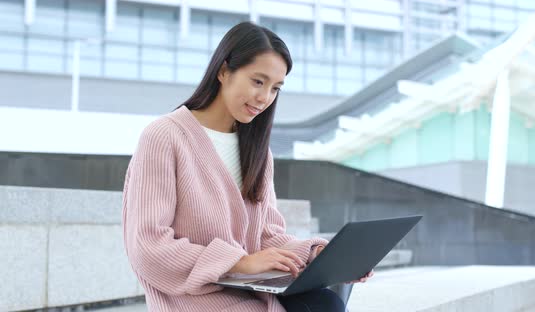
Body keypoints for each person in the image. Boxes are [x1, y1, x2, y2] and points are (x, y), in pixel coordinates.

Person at [121, 21, 372, 312]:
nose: (264, 98)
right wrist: (238, 262)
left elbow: (265, 235)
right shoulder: (164, 136)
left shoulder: (258, 153)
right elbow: (147, 246)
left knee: (328, 301)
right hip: (194, 300)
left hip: (252, 293)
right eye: (258, 81)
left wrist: (315, 254)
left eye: (275, 88)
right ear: (224, 70)